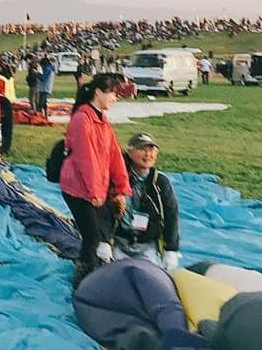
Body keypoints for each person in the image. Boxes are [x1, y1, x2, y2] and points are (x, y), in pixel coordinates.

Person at [59, 73, 130, 287]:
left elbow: (114, 155)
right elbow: (85, 158)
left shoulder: (103, 120)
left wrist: (120, 188)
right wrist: (95, 193)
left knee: (99, 235)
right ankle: (82, 284)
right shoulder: (82, 119)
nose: (115, 98)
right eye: (113, 93)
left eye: (118, 95)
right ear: (98, 92)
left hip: (94, 186)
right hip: (78, 188)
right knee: (91, 238)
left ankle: (96, 275)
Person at [110, 132, 181, 271]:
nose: (148, 154)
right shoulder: (116, 179)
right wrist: (104, 242)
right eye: (142, 149)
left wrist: (171, 249)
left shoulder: (161, 182)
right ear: (129, 152)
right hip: (119, 241)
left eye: (152, 150)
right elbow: (103, 212)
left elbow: (171, 215)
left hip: (147, 244)